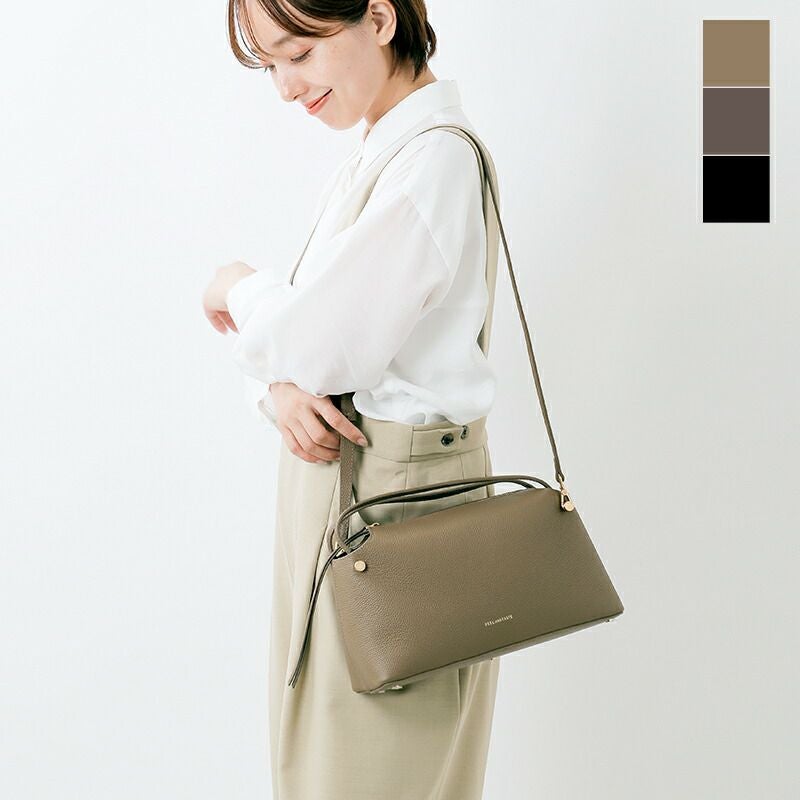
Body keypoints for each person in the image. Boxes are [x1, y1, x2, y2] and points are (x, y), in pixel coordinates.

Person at [202, 1, 503, 797]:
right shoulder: (385, 150)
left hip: (393, 508)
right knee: (328, 762)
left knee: (370, 769)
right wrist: (276, 389)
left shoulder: (432, 160)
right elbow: (306, 348)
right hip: (352, 496)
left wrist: (237, 285)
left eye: (298, 53)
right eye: (269, 64)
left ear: (378, 17)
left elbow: (312, 340)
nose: (284, 87)